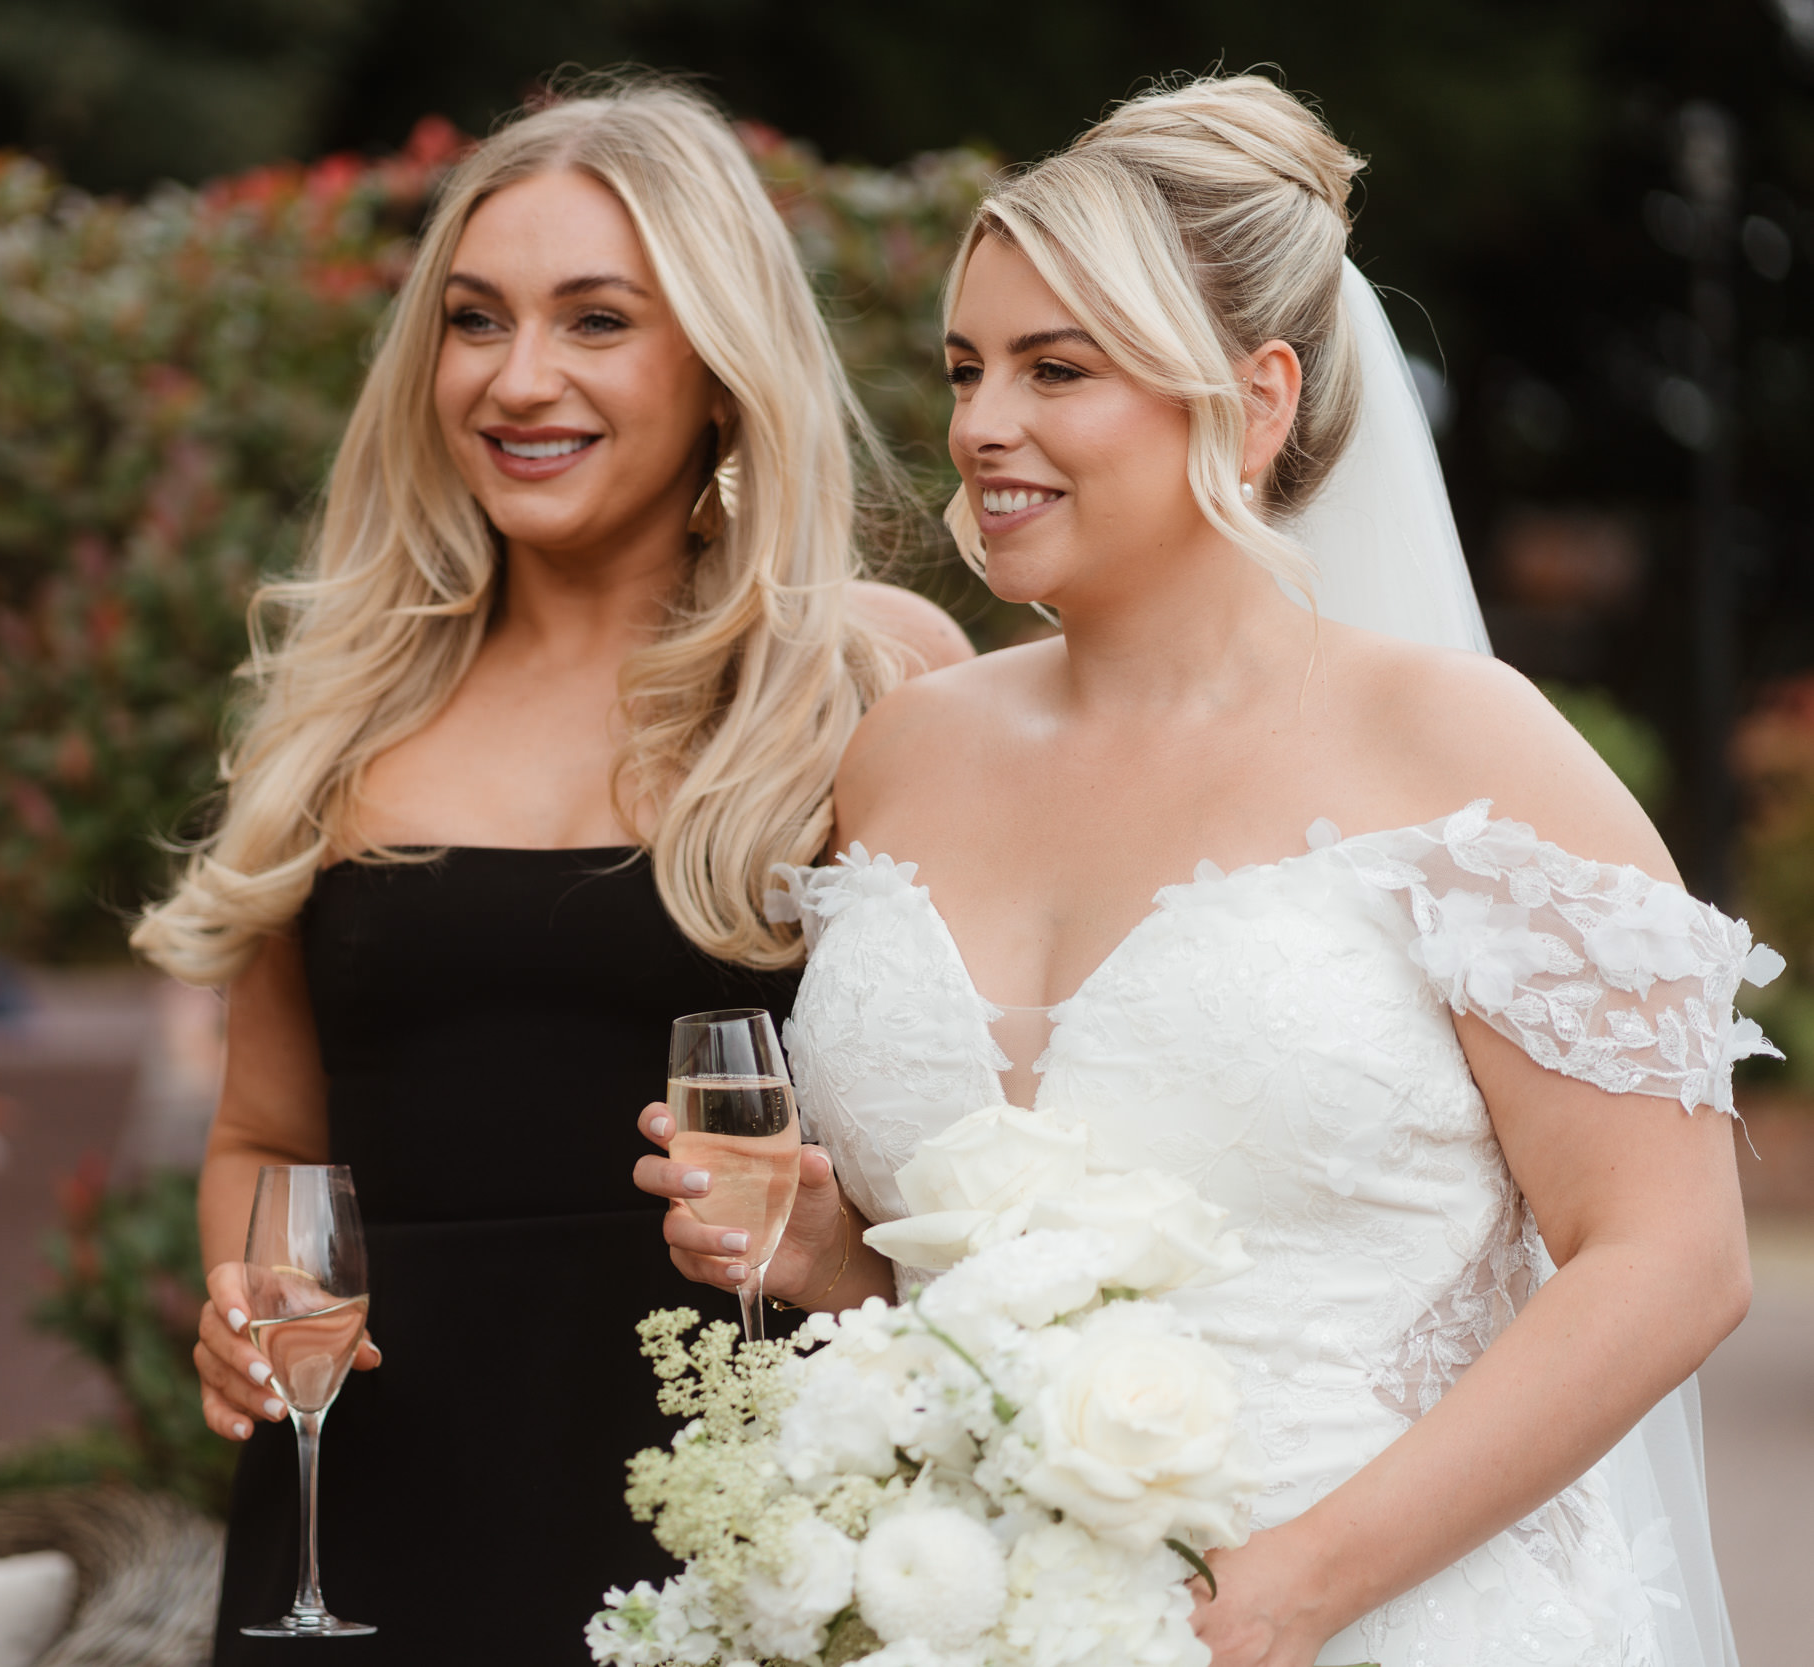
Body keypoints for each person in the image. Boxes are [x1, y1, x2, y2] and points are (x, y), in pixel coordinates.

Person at [638, 74, 1759, 1667]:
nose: (982, 423)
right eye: (966, 367)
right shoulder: (906, 751)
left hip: (1385, 1618)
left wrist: (1297, 1585)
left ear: (1254, 398)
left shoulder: (1463, 749)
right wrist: (840, 1260)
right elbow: (981, 1292)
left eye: (1056, 368)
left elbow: (1669, 1257)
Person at [133, 76, 971, 1663]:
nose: (519, 378)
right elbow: (265, 1134)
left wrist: (848, 1256)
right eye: (475, 320)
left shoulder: (864, 680)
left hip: (746, 1512)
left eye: (596, 320)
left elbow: (996, 1154)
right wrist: (246, 1305)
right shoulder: (336, 706)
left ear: (717, 362)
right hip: (373, 1514)